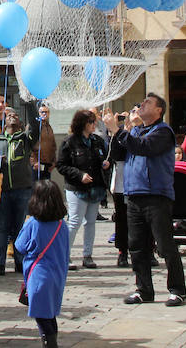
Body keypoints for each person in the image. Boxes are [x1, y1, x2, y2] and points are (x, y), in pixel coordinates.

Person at [105, 93, 186, 307]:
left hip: (156, 196)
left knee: (165, 245)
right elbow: (119, 155)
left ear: (159, 110)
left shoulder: (163, 131)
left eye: (148, 103)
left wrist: (118, 131)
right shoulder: (136, 131)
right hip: (134, 195)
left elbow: (144, 148)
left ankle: (177, 289)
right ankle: (144, 290)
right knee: (137, 246)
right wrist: (115, 134)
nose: (142, 105)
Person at [0, 107, 41, 275]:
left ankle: (19, 262)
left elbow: (36, 127)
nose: (12, 117)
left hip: (22, 190)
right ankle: (0, 263)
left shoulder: (25, 139)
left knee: (20, 227)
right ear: (4, 122)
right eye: (9, 116)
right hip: (3, 190)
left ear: (21, 123)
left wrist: (30, 104)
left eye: (16, 116)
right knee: (2, 227)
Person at [15, 180, 69, 348]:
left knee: (42, 316)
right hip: (58, 274)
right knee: (50, 313)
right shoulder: (62, 225)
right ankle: (51, 340)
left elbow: (20, 246)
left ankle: (49, 343)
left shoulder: (33, 224)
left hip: (38, 275)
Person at [56, 110, 110, 270]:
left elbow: (104, 157)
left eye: (94, 122)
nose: (94, 125)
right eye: (91, 122)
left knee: (91, 222)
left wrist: (105, 164)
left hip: (95, 188)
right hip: (76, 188)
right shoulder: (69, 142)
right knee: (74, 221)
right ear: (83, 124)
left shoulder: (97, 141)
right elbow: (61, 165)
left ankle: (88, 255)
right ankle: (65, 255)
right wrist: (79, 175)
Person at [105, 105, 136, 268]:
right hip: (122, 181)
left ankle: (147, 249)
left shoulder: (144, 132)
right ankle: (122, 251)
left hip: (139, 182)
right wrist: (114, 131)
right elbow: (114, 154)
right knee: (122, 219)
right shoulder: (119, 134)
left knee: (142, 219)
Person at [32, 105, 57, 181]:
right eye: (42, 112)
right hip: (37, 165)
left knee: (46, 189)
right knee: (37, 189)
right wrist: (34, 162)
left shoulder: (49, 127)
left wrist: (54, 162)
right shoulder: (33, 126)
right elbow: (29, 145)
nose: (44, 114)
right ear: (38, 113)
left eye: (46, 112)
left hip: (48, 165)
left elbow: (53, 145)